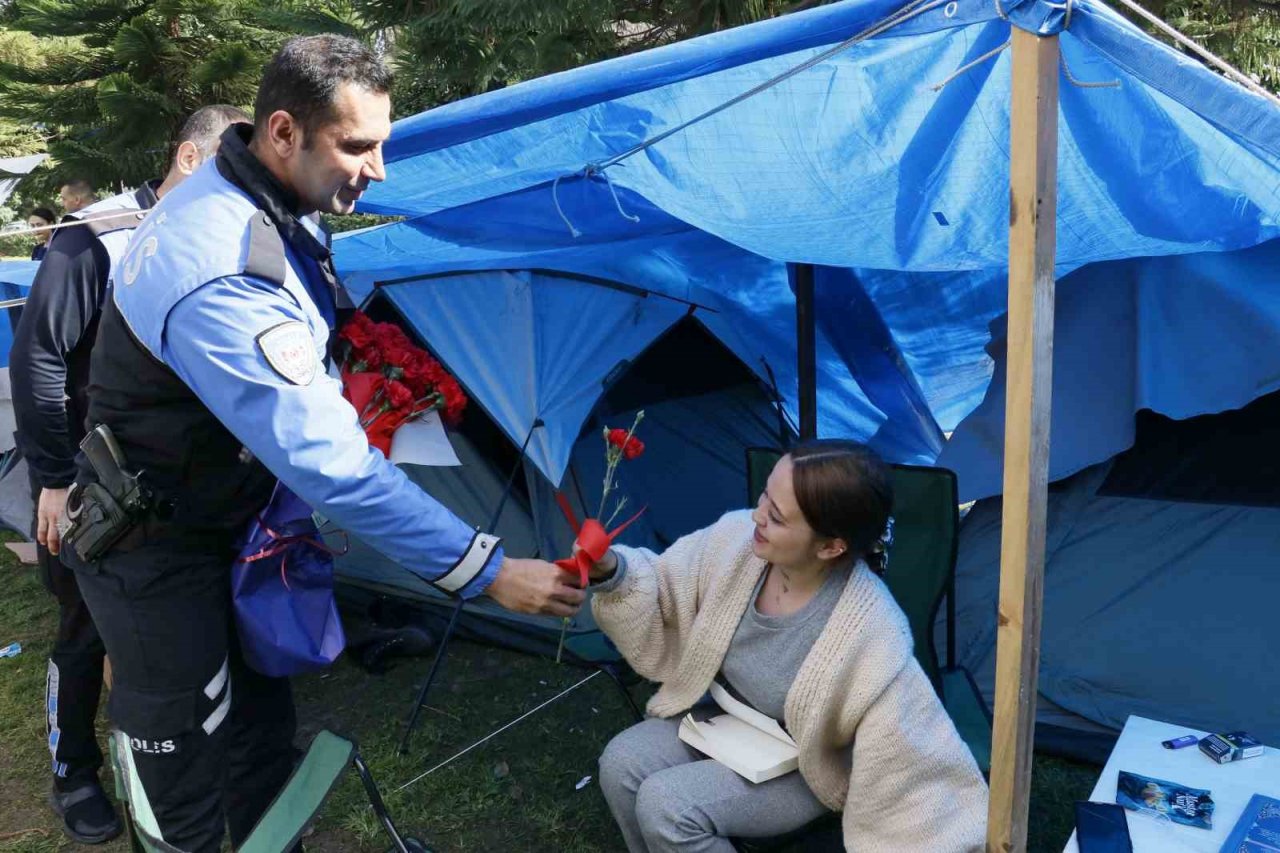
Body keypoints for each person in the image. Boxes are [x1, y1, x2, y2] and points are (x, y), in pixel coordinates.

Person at [62, 35, 582, 852]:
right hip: (154, 548)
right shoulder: (224, 265)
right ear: (283, 131)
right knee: (183, 782)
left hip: (224, 523)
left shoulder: (260, 203)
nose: (380, 170)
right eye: (358, 146)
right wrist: (486, 571)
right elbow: (333, 467)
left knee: (262, 740)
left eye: (383, 143)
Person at [10, 104, 250, 845]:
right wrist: (54, 479)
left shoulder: (215, 234)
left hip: (174, 493)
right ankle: (73, 771)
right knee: (84, 631)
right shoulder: (96, 237)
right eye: (228, 171)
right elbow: (38, 356)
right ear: (188, 158)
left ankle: (199, 760)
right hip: (87, 486)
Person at [591, 440, 988, 852]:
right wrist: (612, 572)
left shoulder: (871, 632)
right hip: (725, 723)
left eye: (777, 517)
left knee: (668, 807)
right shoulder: (734, 539)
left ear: (830, 546)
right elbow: (664, 583)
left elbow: (910, 753)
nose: (757, 515)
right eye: (765, 495)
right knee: (621, 763)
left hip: (805, 766)